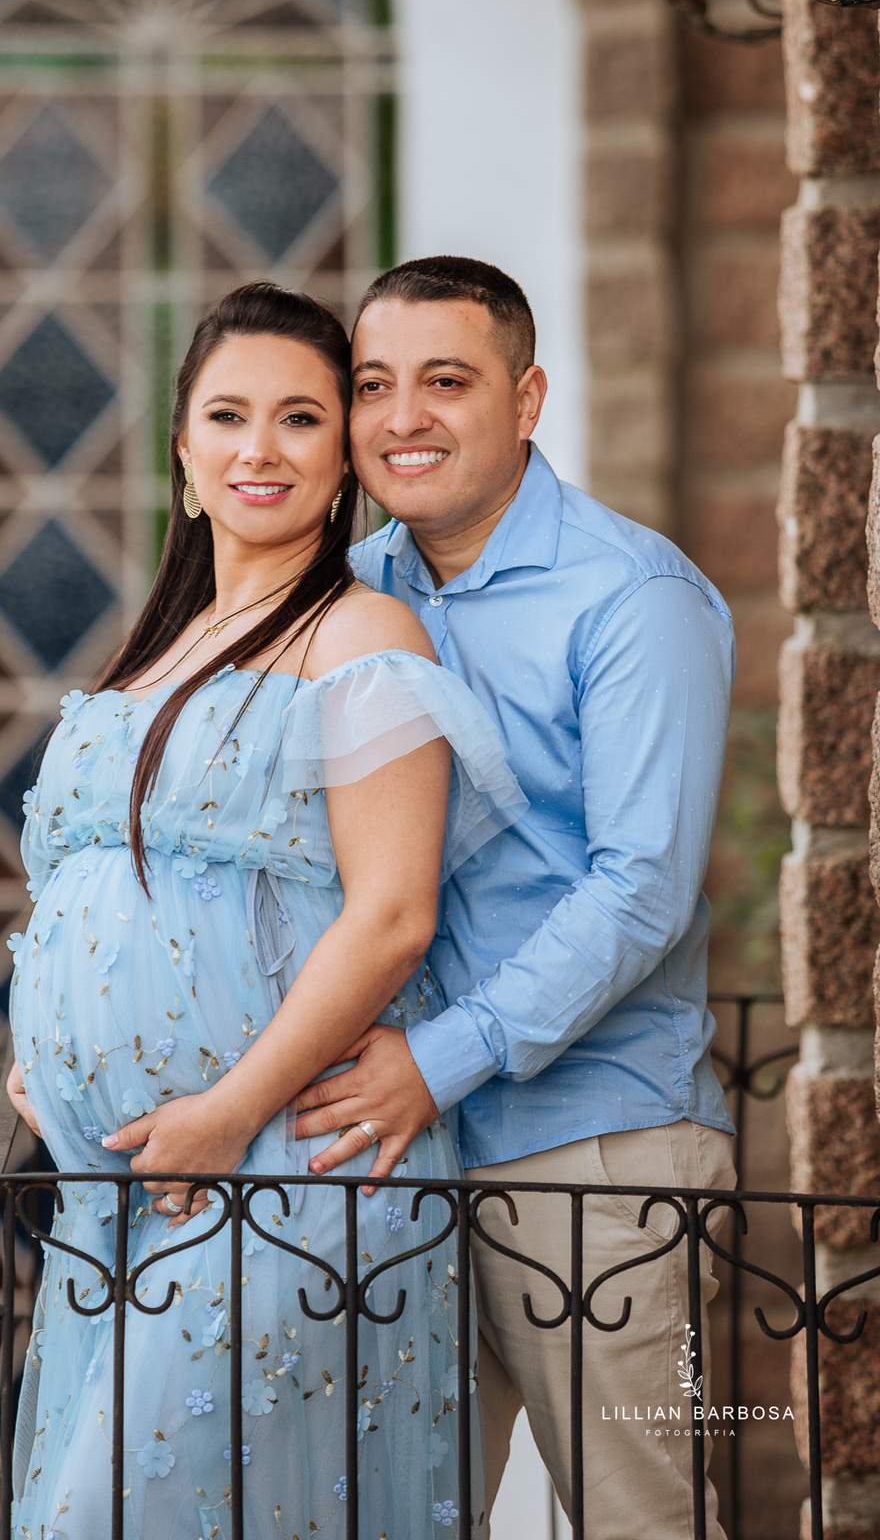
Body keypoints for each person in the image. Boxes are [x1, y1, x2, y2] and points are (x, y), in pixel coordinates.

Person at [3, 282, 525, 1539]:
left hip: (283, 1171)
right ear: (182, 450)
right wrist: (46, 1053)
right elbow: (79, 889)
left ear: (341, 457)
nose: (261, 448)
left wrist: (231, 1112)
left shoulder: (361, 635)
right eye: (228, 415)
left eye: (300, 418)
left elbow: (394, 916)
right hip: (119, 1183)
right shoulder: (155, 649)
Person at [294, 256, 737, 1540]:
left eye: (448, 380)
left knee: (636, 1521)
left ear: (528, 397)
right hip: (394, 1151)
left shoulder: (632, 597)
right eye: (374, 384)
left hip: (588, 1147)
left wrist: (436, 1062)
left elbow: (643, 887)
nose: (402, 418)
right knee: (401, 1519)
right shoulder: (353, 593)